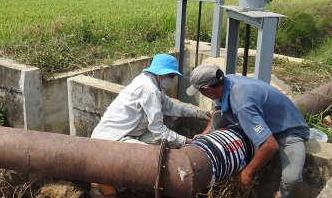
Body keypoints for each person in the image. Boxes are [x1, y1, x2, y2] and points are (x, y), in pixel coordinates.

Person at [90, 54, 211, 197]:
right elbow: (158, 129)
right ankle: (109, 182)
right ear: (162, 74)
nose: (172, 80)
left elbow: (170, 106)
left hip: (127, 134)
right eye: (171, 75)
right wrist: (187, 141)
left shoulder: (151, 84)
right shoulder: (149, 89)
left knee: (163, 147)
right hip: (109, 140)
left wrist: (196, 113)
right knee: (149, 159)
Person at [186, 62, 309, 198]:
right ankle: (218, 165)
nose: (201, 94)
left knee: (292, 179)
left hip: (287, 130)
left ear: (207, 88)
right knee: (217, 117)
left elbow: (270, 145)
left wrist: (247, 172)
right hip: (262, 118)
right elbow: (218, 110)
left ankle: (280, 195)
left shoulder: (242, 103)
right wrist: (204, 134)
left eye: (200, 91)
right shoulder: (226, 82)